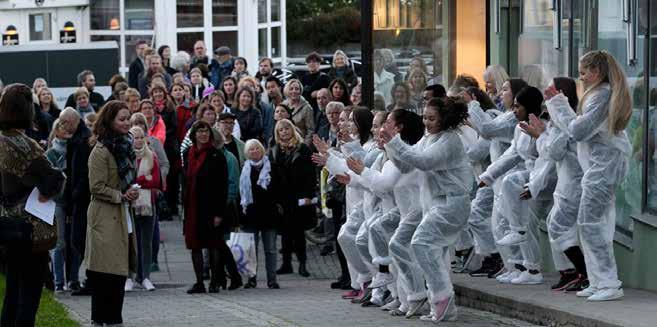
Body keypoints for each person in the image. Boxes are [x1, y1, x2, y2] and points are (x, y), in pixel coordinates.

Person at [547, 50, 632, 301]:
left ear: (597, 72)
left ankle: (609, 282)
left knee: (590, 224)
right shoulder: (600, 95)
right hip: (599, 168)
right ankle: (598, 281)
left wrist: (559, 105)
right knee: (593, 225)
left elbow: (579, 130)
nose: (580, 77)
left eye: (584, 72)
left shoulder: (601, 95)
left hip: (602, 168)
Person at [380, 97, 474, 322]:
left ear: (445, 118)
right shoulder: (429, 138)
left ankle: (441, 297)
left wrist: (395, 142)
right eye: (424, 117)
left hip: (453, 203)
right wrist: (389, 143)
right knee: (432, 250)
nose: (427, 122)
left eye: (432, 118)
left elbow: (423, 162)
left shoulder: (450, 140)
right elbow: (405, 165)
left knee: (421, 243)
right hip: (437, 203)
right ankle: (442, 305)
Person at [0, 83, 65, 326]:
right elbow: (52, 181)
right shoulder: (25, 145)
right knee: (29, 296)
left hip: (6, 224)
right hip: (29, 227)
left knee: (13, 293)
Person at [522, 77, 589, 292]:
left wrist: (540, 135)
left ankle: (583, 273)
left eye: (551, 91)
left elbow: (553, 152)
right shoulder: (560, 122)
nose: (546, 96)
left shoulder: (566, 123)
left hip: (573, 183)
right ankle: (571, 272)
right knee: (556, 224)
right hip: (567, 182)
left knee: (559, 226)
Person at [85, 100, 138, 326]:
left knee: (119, 270)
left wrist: (130, 193)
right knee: (105, 272)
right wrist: (121, 195)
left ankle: (114, 318)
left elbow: (127, 179)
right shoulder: (100, 150)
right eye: (122, 119)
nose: (127, 123)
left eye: (128, 118)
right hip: (105, 216)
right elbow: (96, 187)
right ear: (110, 121)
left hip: (123, 214)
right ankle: (102, 319)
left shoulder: (127, 145)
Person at [182, 121, 230, 294]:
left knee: (213, 244)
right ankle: (199, 282)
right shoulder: (188, 154)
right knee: (194, 245)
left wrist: (219, 213)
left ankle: (215, 281)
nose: (203, 135)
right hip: (192, 207)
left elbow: (222, 186)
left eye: (206, 131)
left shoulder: (216, 156)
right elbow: (184, 180)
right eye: (200, 131)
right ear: (194, 135)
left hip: (210, 207)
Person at [271, 119, 316, 278]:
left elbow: (311, 174)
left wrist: (309, 195)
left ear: (292, 130)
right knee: (285, 233)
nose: (284, 132)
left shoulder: (302, 148)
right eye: (281, 130)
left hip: (299, 196)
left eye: (287, 128)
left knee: (298, 233)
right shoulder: (275, 150)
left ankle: (302, 264)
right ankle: (286, 263)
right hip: (283, 197)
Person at [57, 108, 94, 296]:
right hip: (77, 196)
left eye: (64, 122)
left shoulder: (82, 140)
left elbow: (81, 172)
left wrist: (75, 195)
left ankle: (90, 279)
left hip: (82, 197)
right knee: (78, 240)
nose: (62, 126)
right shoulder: (78, 139)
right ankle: (87, 279)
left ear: (73, 120)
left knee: (80, 240)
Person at [239, 139, 281, 289]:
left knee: (270, 249)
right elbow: (241, 193)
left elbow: (279, 189)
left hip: (269, 214)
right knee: (250, 249)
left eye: (257, 148)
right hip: (250, 214)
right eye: (251, 149)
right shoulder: (244, 169)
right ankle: (251, 279)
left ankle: (272, 279)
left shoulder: (272, 167)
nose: (255, 151)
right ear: (247, 153)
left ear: (262, 150)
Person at [125, 126, 162, 292]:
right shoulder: (126, 157)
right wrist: (142, 179)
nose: (138, 141)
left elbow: (155, 181)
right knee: (130, 241)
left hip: (148, 204)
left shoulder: (151, 156)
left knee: (146, 242)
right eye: (135, 137)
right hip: (129, 203)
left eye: (141, 137)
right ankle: (129, 276)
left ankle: (145, 276)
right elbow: (126, 179)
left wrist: (138, 181)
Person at [46, 119, 78, 293]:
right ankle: (59, 282)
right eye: (62, 126)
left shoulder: (75, 150)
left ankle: (73, 279)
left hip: (72, 200)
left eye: (68, 126)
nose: (66, 129)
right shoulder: (50, 153)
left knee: (74, 241)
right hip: (57, 201)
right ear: (56, 130)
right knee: (59, 243)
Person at [282, 79, 314, 144]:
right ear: (287, 90)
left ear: (300, 91)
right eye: (291, 89)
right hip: (284, 143)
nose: (294, 91)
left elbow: (311, 131)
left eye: (297, 89)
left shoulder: (307, 108)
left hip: (300, 144)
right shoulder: (283, 105)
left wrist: (304, 146)